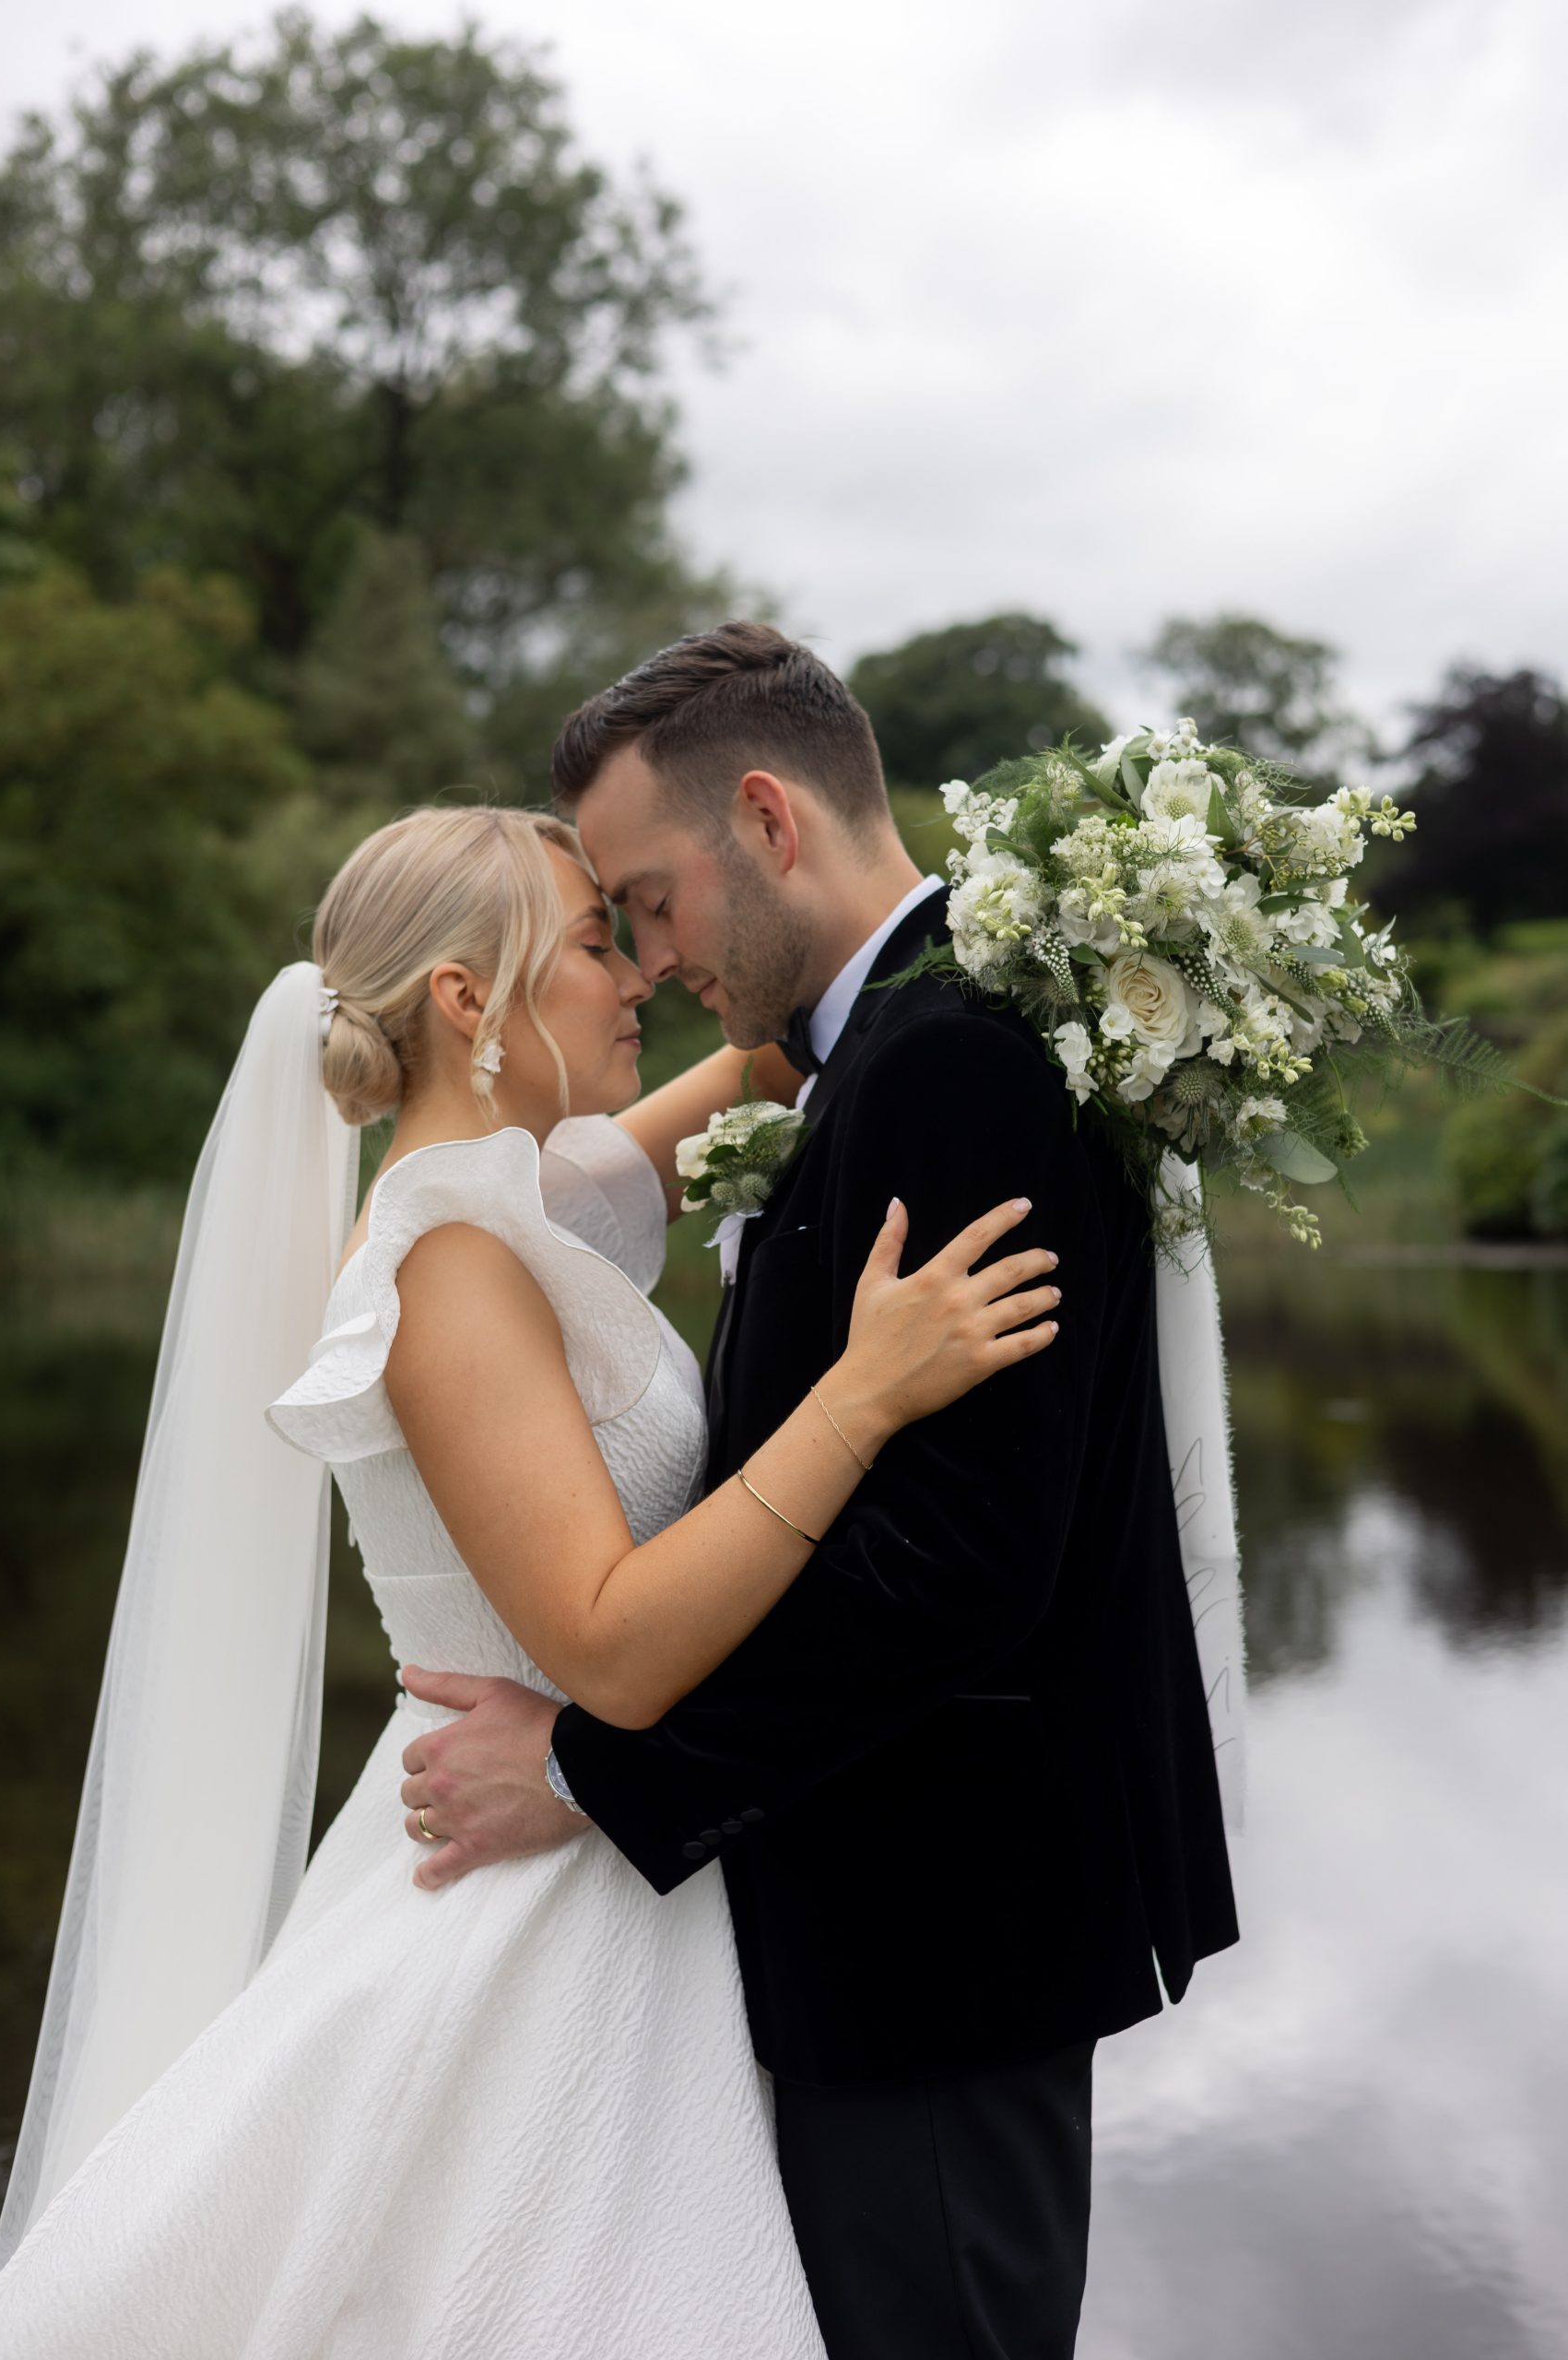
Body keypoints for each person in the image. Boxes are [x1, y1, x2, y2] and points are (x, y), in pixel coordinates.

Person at [0, 804, 1061, 2357]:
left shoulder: (524, 1204)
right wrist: (862, 1395)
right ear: (462, 1000)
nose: (636, 975)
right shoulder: (446, 1265)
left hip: (618, 1863)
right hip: (532, 1913)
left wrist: (1067, 925)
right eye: (590, 941)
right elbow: (614, 1652)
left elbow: (780, 1052)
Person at [400, 625, 1242, 2360]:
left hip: (937, 1930)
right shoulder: (880, 1052)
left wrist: (591, 1772)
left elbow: (954, 1568)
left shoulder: (947, 1063)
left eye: (647, 900)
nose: (644, 956)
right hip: (878, 1917)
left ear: (768, 825)